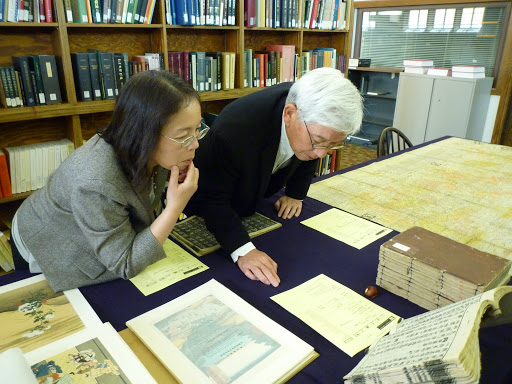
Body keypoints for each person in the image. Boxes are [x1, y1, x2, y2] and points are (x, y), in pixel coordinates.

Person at [9, 70, 206, 291]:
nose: (195, 144)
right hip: (49, 241)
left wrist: (168, 188)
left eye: (198, 129)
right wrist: (174, 207)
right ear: (142, 133)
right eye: (183, 136)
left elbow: (142, 204)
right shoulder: (95, 182)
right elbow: (125, 263)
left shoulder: (144, 149)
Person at [186, 67, 363, 287]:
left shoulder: (310, 115)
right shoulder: (236, 130)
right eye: (318, 140)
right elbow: (211, 198)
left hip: (256, 190)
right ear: (289, 114)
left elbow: (310, 152)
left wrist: (295, 194)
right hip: (211, 207)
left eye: (332, 144)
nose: (321, 153)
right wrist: (243, 250)